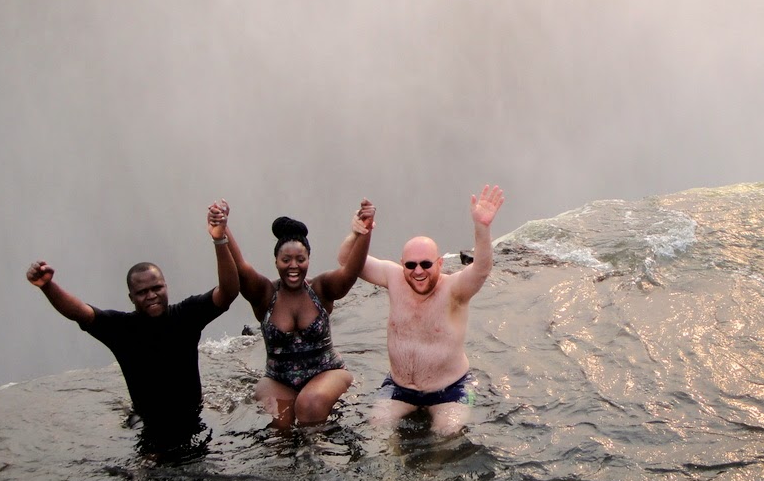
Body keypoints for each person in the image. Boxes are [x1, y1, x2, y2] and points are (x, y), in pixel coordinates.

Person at [25, 200, 240, 455]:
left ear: (166, 287)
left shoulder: (186, 315)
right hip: (148, 425)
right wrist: (48, 286)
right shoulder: (121, 329)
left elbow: (228, 292)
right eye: (142, 292)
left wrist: (219, 240)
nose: (151, 295)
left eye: (156, 288)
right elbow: (79, 312)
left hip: (192, 418)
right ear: (131, 297)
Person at [338, 185, 504, 437]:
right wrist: (355, 233)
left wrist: (482, 227)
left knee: (447, 433)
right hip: (399, 387)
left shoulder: (455, 289)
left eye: (426, 264)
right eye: (411, 265)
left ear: (439, 263)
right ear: (402, 264)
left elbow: (481, 269)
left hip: (452, 389)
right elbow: (346, 261)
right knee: (378, 427)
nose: (418, 271)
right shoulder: (393, 277)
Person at [224, 201, 375, 429]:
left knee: (309, 404)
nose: (293, 266)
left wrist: (365, 231)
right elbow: (241, 269)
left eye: (300, 260)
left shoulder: (321, 289)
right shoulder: (265, 294)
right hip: (278, 379)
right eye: (286, 260)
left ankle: (317, 449)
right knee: (280, 420)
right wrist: (222, 230)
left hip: (327, 372)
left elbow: (350, 272)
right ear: (276, 262)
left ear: (308, 260)